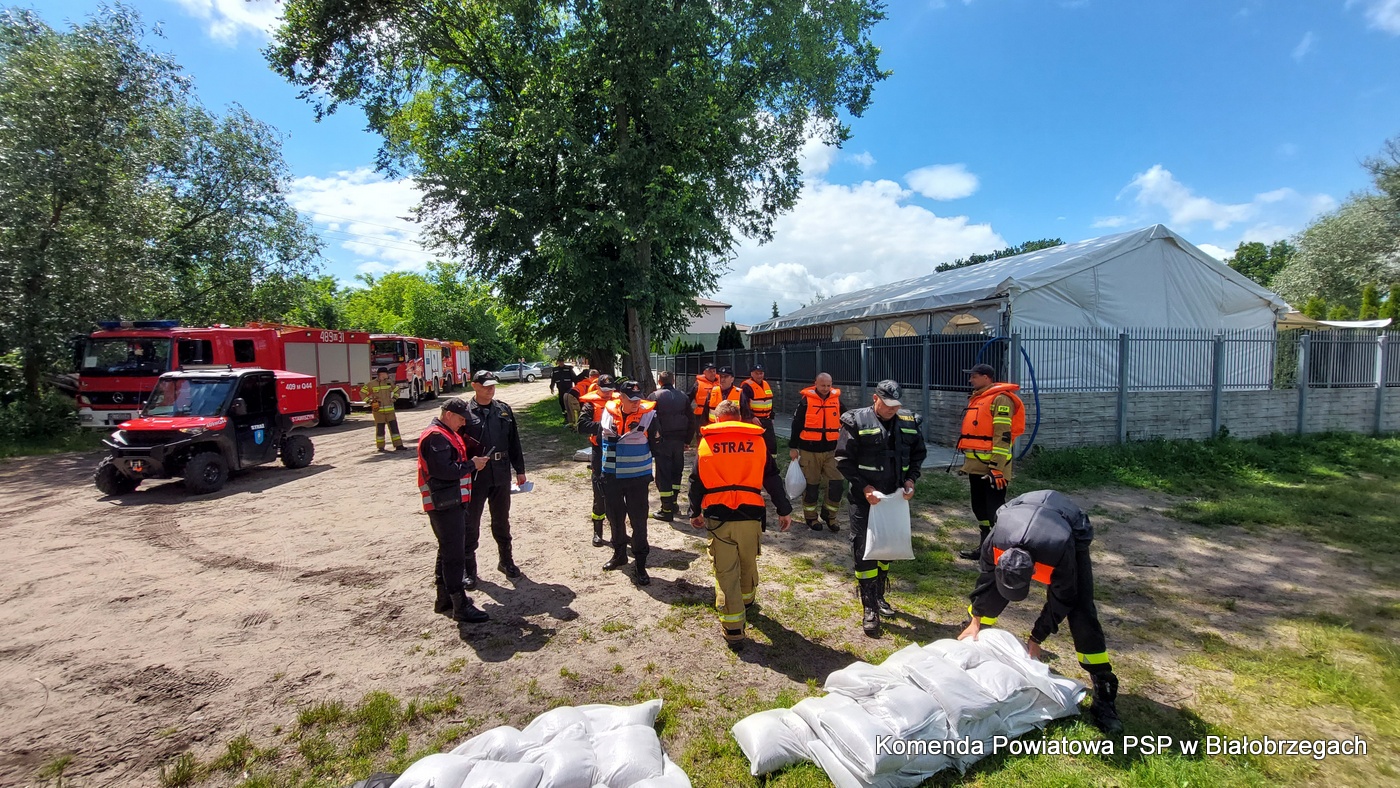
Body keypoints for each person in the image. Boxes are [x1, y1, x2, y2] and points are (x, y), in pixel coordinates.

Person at [958, 490, 1122, 734]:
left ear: (1034, 570)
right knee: (991, 594)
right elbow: (986, 580)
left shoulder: (1059, 552)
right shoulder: (994, 543)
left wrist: (1037, 637)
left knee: (1081, 610)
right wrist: (976, 619)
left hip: (1068, 526)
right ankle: (976, 643)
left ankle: (1104, 687)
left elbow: (1062, 598)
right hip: (1019, 510)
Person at [688, 400, 793, 649]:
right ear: (739, 418)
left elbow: (696, 480)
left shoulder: (707, 442)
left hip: (718, 516)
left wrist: (694, 511)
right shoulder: (757, 441)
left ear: (717, 419)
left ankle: (734, 629)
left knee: (725, 571)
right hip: (750, 514)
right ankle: (747, 601)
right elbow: (771, 477)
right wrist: (784, 509)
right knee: (747, 561)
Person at [835, 380, 927, 637]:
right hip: (865, 498)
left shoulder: (909, 422)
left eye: (896, 405)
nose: (892, 410)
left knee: (888, 546)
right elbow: (843, 459)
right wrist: (864, 487)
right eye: (887, 405)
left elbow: (918, 454)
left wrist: (911, 480)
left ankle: (879, 593)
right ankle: (869, 606)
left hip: (894, 498)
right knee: (864, 549)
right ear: (875, 398)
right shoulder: (856, 421)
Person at [416, 398, 490, 624]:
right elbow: (445, 471)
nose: (463, 423)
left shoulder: (446, 433)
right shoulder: (436, 437)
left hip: (449, 503)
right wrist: (472, 464)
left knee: (447, 551)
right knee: (454, 554)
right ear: (448, 414)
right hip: (445, 504)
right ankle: (460, 605)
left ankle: (444, 600)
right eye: (460, 419)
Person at [460, 371, 528, 588]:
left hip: (500, 471)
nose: (490, 389)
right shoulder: (465, 412)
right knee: (471, 522)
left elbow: (514, 441)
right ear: (474, 386)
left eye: (493, 385)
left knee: (501, 520)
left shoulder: (503, 410)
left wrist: (520, 470)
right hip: (476, 475)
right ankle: (469, 570)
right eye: (486, 385)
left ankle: (506, 561)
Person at [955, 363, 1025, 560]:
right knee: (979, 507)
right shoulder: (979, 398)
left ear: (986, 377)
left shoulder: (1001, 399)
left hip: (994, 469)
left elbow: (1003, 436)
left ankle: (1001, 551)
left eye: (974, 376)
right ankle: (985, 548)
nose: (970, 380)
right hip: (976, 466)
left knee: (994, 509)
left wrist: (996, 468)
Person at [599, 381, 660, 585]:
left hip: (637, 479)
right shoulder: (607, 413)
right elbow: (600, 443)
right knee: (615, 518)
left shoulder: (649, 416)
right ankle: (619, 555)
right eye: (631, 399)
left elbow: (656, 446)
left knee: (639, 521)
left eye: (638, 399)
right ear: (621, 398)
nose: (636, 403)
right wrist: (599, 472)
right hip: (611, 478)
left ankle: (640, 564)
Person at [788, 372, 845, 531]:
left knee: (836, 484)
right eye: (823, 385)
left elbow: (847, 419)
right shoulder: (805, 402)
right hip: (809, 450)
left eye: (828, 385)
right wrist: (793, 447)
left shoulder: (836, 400)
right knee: (811, 486)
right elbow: (796, 424)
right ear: (816, 384)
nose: (826, 388)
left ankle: (830, 515)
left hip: (832, 450)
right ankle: (811, 518)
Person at [576, 375, 618, 547]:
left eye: (610, 390)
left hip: (617, 450)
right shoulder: (590, 405)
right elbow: (581, 426)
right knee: (599, 491)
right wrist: (603, 426)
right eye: (604, 390)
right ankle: (597, 532)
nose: (608, 393)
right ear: (598, 388)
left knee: (617, 493)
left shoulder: (619, 401)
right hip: (599, 451)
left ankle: (618, 532)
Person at [647, 370, 691, 522]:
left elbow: (648, 420)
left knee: (663, 475)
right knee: (676, 473)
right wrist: (687, 441)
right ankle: (673, 503)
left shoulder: (654, 396)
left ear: (659, 382)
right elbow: (691, 420)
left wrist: (651, 442)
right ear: (673, 381)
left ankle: (666, 510)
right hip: (679, 441)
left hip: (663, 442)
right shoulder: (683, 396)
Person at [361, 367, 403, 451]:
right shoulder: (371, 384)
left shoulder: (389, 383)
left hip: (390, 411)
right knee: (380, 429)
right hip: (378, 412)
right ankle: (381, 447)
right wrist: (370, 402)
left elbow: (397, 390)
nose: (388, 375)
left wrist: (394, 398)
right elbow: (362, 392)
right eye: (387, 373)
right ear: (382, 374)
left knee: (394, 428)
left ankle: (398, 445)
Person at [739, 364, 777, 459]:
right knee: (753, 443)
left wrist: (772, 416)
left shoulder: (766, 384)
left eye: (761, 373)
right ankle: (754, 460)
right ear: (752, 374)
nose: (759, 376)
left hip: (767, 419)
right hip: (755, 420)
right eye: (757, 373)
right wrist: (752, 417)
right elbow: (744, 404)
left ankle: (771, 462)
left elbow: (770, 401)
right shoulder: (746, 386)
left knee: (771, 444)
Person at [685, 363, 720, 443]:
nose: (713, 373)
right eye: (710, 371)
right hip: (700, 415)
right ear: (704, 372)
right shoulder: (698, 384)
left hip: (717, 414)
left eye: (714, 371)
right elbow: (688, 398)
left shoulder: (720, 383)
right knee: (701, 435)